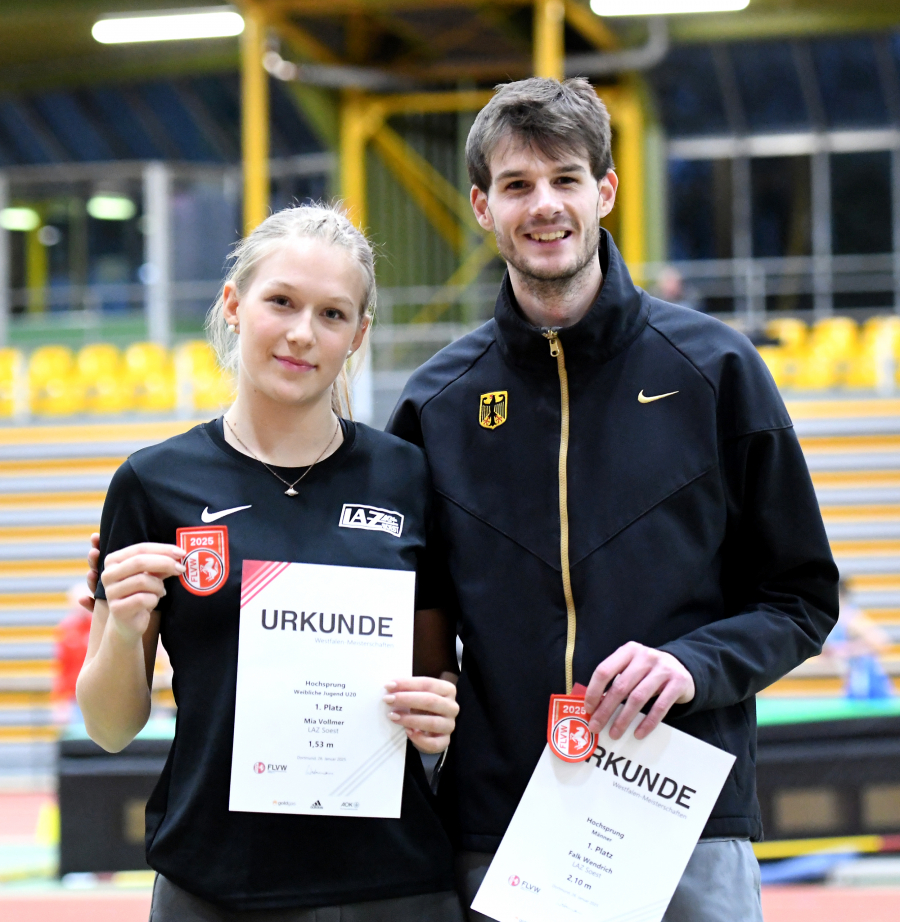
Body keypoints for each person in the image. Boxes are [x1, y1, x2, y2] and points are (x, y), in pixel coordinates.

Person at [385, 78, 839, 922]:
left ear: (606, 190)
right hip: (500, 826)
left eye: (565, 178)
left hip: (682, 822)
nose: (544, 205)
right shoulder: (434, 405)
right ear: (483, 206)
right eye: (517, 184)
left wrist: (694, 665)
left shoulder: (716, 370)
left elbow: (801, 599)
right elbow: (410, 615)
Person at [76, 204, 464, 922]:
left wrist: (441, 710)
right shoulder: (152, 483)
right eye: (281, 301)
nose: (301, 333)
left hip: (392, 885)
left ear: (358, 335)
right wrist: (125, 630)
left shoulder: (408, 477)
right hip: (214, 886)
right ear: (234, 304)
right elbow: (108, 728)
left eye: (332, 314)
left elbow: (436, 674)